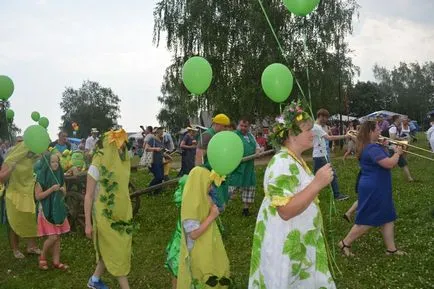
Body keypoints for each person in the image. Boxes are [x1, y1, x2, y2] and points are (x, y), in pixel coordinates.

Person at [248, 100, 336, 289]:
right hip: (285, 243)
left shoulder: (294, 160)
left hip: (297, 241)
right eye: (307, 129)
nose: (313, 134)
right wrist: (317, 183)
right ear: (290, 134)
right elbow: (285, 211)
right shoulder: (281, 162)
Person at [339, 121, 405, 257]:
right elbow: (389, 164)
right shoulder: (372, 148)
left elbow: (382, 159)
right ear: (370, 131)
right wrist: (398, 153)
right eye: (377, 128)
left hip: (378, 185)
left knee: (387, 216)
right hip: (374, 187)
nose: (380, 130)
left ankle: (391, 249)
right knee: (367, 219)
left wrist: (387, 149)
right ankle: (345, 243)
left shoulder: (371, 146)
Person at [84, 128, 134, 289]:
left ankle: (95, 280)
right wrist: (87, 223)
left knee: (114, 247)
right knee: (116, 250)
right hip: (104, 215)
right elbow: (89, 195)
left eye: (123, 146)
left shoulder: (121, 162)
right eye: (119, 146)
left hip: (122, 212)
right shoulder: (97, 164)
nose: (122, 149)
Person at [176, 166, 232, 289]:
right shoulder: (191, 204)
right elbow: (193, 234)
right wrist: (212, 216)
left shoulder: (205, 196)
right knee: (203, 277)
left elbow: (219, 205)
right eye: (208, 183)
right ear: (199, 183)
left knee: (215, 269)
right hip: (198, 250)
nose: (211, 187)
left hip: (209, 244)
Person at [0, 142, 40, 259]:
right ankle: (15, 249)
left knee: (29, 217)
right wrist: (11, 168)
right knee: (13, 221)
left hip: (26, 193)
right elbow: (2, 178)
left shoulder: (29, 158)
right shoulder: (10, 160)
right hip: (12, 194)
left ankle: (31, 246)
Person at [35, 153, 70, 271]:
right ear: (47, 163)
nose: (55, 164)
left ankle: (56, 261)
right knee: (53, 237)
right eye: (52, 162)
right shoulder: (42, 176)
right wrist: (51, 189)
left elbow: (65, 192)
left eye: (57, 162)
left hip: (58, 210)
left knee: (58, 237)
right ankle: (42, 257)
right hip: (46, 211)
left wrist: (63, 190)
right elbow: (38, 196)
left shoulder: (59, 174)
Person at [312, 108, 350, 201]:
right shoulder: (316, 127)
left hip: (320, 155)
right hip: (320, 156)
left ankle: (310, 194)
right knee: (332, 174)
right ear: (320, 116)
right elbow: (329, 138)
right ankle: (337, 195)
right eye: (325, 117)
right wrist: (345, 136)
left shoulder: (318, 126)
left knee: (315, 177)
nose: (326, 120)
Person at [229, 118, 260, 216]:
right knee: (232, 184)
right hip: (237, 165)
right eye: (241, 125)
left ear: (249, 127)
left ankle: (245, 210)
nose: (243, 128)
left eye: (245, 126)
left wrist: (258, 152)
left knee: (249, 185)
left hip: (249, 166)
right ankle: (222, 207)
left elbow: (257, 147)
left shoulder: (251, 136)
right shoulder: (234, 135)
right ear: (238, 125)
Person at [164, 176, 188, 289]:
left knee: (177, 270)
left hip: (180, 239)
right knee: (178, 268)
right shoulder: (189, 202)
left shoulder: (183, 199)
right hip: (183, 240)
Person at [388, 115, 414, 182]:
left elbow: (396, 137)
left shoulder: (397, 127)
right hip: (391, 148)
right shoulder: (393, 127)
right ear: (396, 119)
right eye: (400, 119)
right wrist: (402, 140)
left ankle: (409, 178)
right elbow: (392, 139)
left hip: (396, 147)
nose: (401, 120)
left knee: (404, 163)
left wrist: (403, 138)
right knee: (389, 165)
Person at [145, 127, 165, 193]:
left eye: (162, 131)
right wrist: (155, 149)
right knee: (158, 177)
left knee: (161, 177)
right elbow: (146, 148)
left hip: (160, 161)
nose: (162, 133)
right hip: (154, 161)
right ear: (157, 132)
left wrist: (165, 154)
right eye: (161, 132)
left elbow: (161, 150)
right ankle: (149, 189)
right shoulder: (152, 139)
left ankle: (157, 192)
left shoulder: (161, 140)